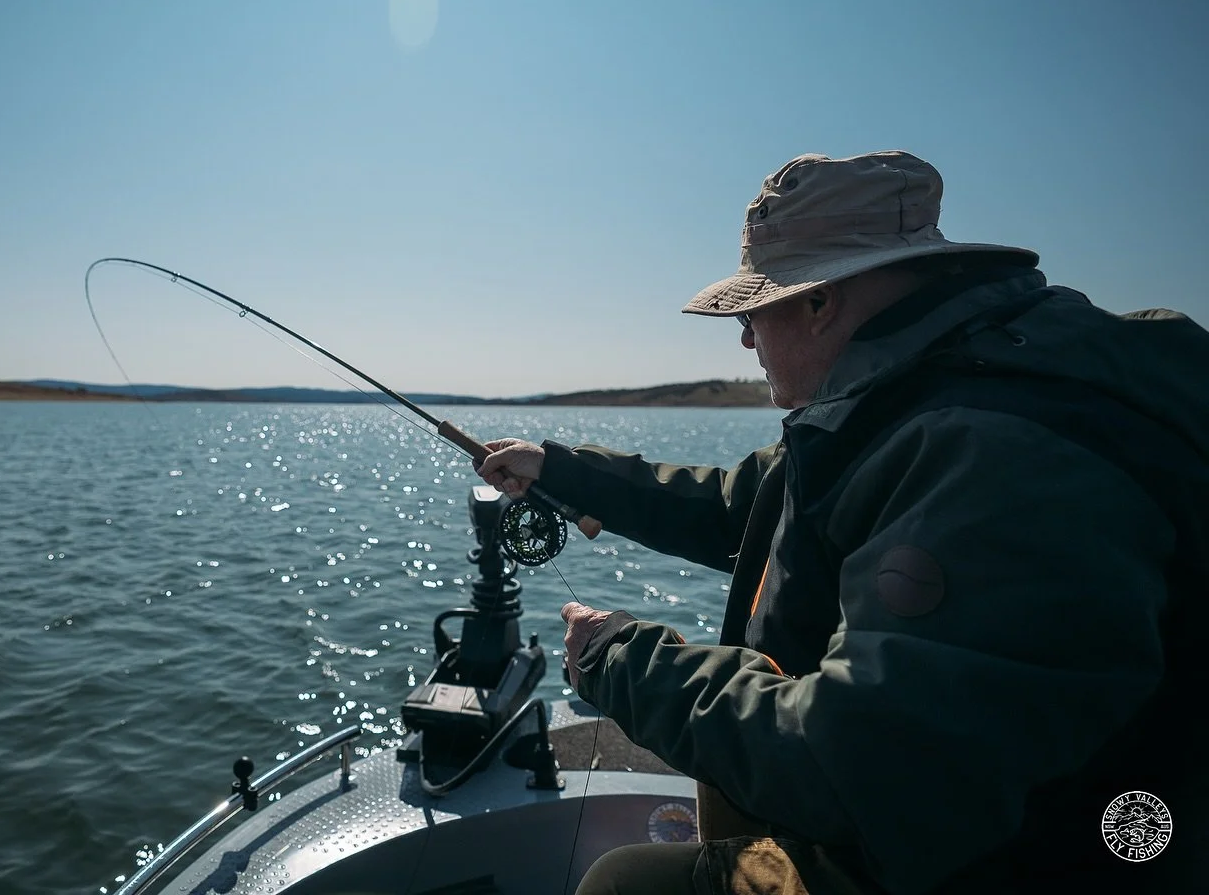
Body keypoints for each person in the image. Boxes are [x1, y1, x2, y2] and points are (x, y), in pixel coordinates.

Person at [475, 151, 1208, 895]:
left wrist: (619, 660)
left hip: (1026, 857)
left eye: (754, 311)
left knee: (624, 885)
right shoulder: (918, 394)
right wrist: (560, 469)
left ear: (819, 301)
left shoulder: (991, 451)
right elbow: (750, 504)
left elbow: (867, 768)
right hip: (991, 820)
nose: (745, 341)